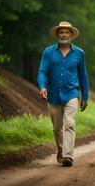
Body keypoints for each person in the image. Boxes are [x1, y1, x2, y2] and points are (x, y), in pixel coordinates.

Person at [37, 21, 89, 167]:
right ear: (58, 34)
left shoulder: (79, 53)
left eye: (67, 32)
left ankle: (68, 156)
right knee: (57, 128)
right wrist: (42, 86)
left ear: (71, 35)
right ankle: (61, 150)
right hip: (53, 95)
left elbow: (83, 76)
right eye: (61, 32)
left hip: (71, 93)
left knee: (70, 124)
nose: (64, 34)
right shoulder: (48, 52)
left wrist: (84, 97)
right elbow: (42, 71)